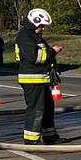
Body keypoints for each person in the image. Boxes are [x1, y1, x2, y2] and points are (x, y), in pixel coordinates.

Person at [16, 8, 60, 145]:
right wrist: (53, 51)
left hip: (40, 79)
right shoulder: (25, 36)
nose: (43, 29)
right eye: (41, 26)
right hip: (32, 79)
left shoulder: (32, 36)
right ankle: (31, 140)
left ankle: (50, 136)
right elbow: (35, 57)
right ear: (34, 23)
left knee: (47, 107)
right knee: (36, 109)